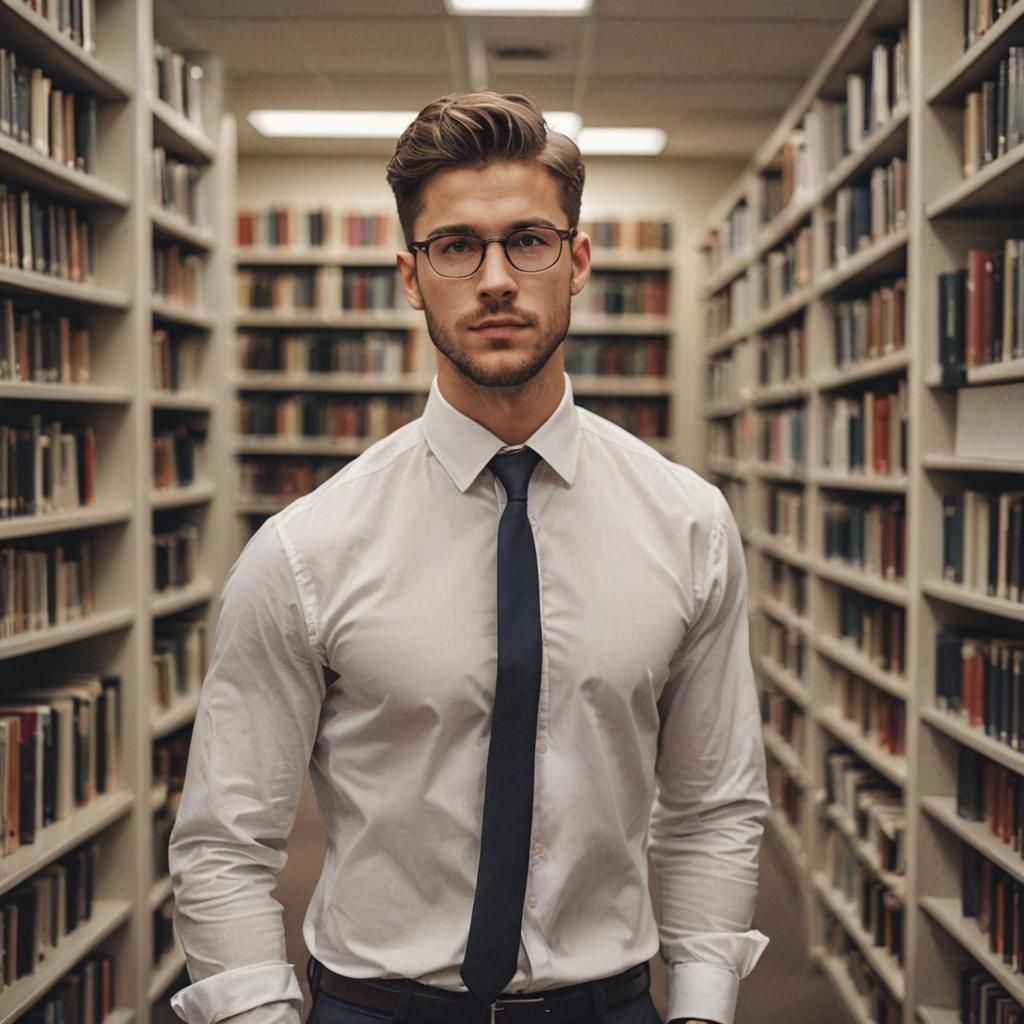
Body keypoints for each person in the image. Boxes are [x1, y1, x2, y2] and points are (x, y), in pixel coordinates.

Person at [168, 91, 769, 1024]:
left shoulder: (688, 524)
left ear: (577, 262)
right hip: (375, 1005)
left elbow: (711, 805)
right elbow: (223, 842)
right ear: (412, 277)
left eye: (528, 240)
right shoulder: (306, 550)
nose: (496, 278)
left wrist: (700, 1009)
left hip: (607, 1006)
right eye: (456, 247)